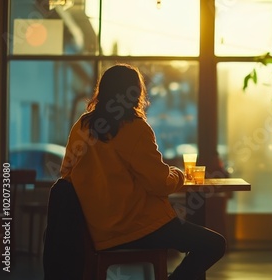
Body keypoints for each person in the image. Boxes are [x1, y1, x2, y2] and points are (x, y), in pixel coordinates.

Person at [60, 63, 226, 279]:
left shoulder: (82, 126)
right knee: (214, 244)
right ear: (135, 92)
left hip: (98, 231)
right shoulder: (135, 128)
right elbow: (159, 183)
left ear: (103, 90)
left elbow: (66, 174)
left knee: (195, 238)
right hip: (138, 227)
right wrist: (178, 174)